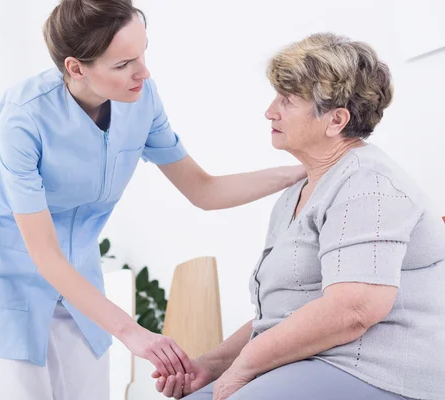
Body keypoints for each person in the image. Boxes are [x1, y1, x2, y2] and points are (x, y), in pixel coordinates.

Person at [0, 1, 305, 399]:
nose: (143, 72)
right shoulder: (19, 119)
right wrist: (133, 333)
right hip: (8, 280)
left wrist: (299, 171)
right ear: (76, 68)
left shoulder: (141, 97)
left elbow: (203, 190)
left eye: (142, 54)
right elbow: (46, 256)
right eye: (123, 65)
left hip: (79, 277)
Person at [154, 32, 445, 400]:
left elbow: (354, 308)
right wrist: (211, 365)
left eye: (287, 100)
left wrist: (244, 367)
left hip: (374, 370)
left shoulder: (369, 183)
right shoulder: (300, 191)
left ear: (336, 120)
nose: (270, 111)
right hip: (316, 361)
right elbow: (285, 314)